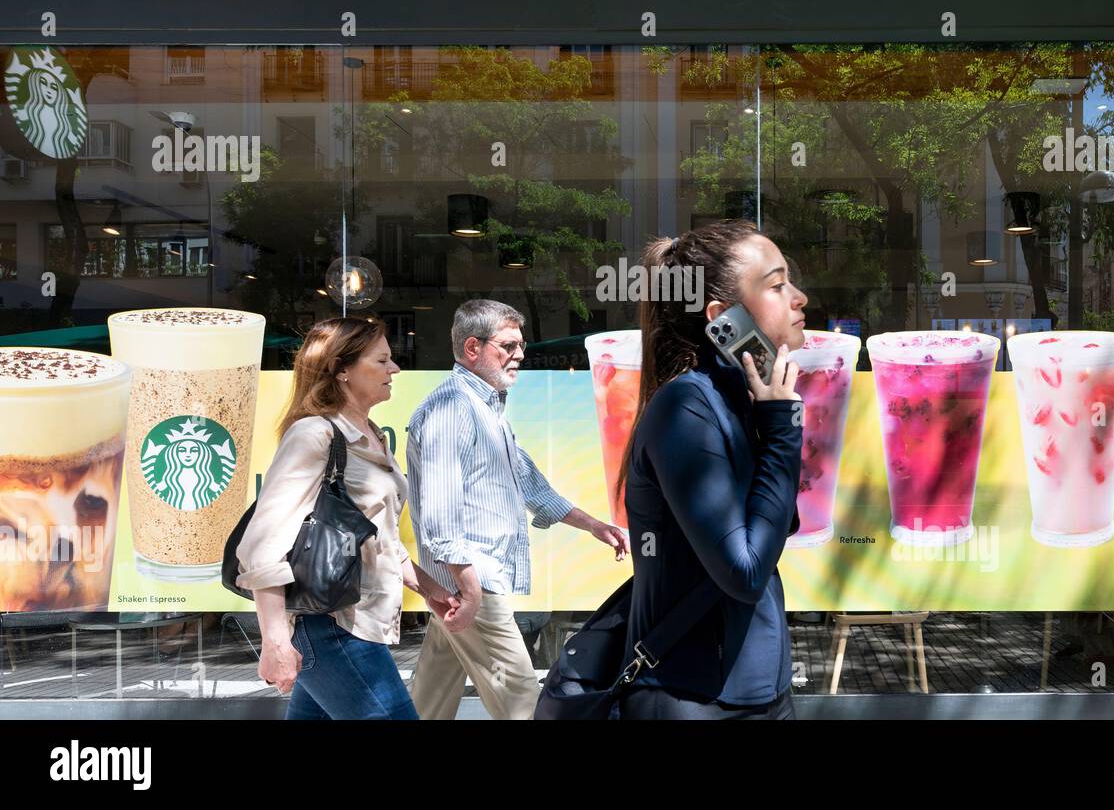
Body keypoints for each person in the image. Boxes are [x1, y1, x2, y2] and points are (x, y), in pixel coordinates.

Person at [619, 220, 808, 719]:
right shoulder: (686, 407)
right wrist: (783, 429)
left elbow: (778, 524)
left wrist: (772, 415)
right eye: (777, 284)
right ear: (723, 317)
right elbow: (743, 572)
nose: (799, 297)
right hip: (695, 697)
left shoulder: (738, 399)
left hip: (757, 688)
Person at [407, 299, 629, 720]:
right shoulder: (453, 408)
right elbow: (438, 514)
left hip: (465, 581)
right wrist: (469, 587)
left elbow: (527, 481)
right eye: (508, 346)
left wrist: (593, 525)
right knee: (524, 704)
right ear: (473, 347)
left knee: (429, 703)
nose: (520, 355)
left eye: (520, 345)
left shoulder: (486, 409)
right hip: (473, 582)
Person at [235, 317, 461, 720]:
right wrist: (274, 641)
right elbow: (262, 544)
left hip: (354, 623)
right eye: (382, 361)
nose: (395, 370)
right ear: (342, 370)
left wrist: (428, 589)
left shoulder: (370, 434)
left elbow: (380, 539)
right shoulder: (314, 435)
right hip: (333, 626)